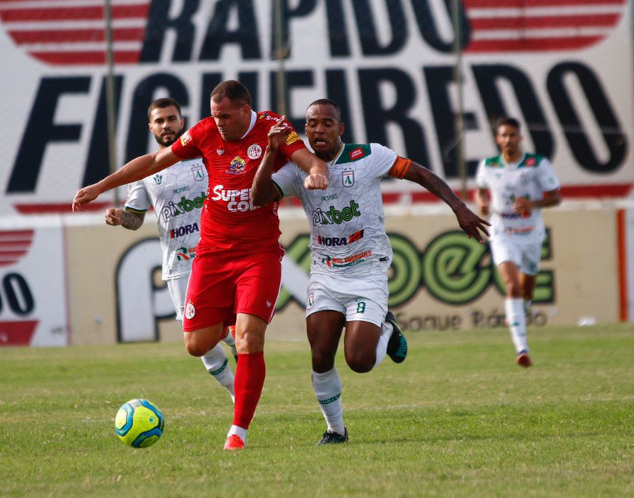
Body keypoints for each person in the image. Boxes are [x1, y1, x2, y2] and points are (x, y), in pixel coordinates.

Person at [73, 80, 329, 450]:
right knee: (196, 344)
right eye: (214, 115)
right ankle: (233, 324)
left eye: (225, 115)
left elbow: (308, 159)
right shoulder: (205, 133)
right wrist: (100, 186)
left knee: (249, 339)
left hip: (258, 253)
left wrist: (316, 171)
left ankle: (237, 432)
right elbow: (153, 162)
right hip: (211, 254)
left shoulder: (273, 128)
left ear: (246, 109)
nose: (219, 122)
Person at [251, 99, 490, 444]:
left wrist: (459, 208)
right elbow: (259, 197)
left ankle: (387, 331)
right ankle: (335, 430)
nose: (318, 130)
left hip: (367, 270)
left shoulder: (368, 157)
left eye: (327, 123)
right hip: (326, 272)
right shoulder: (296, 169)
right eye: (312, 123)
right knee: (320, 355)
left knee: (359, 360)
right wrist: (270, 154)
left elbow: (420, 173)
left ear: (340, 129)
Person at [104, 97, 237, 402]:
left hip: (217, 253)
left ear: (181, 121)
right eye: (160, 121)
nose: (167, 125)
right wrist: (120, 217)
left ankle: (238, 386)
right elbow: (136, 219)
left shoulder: (206, 155)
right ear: (151, 127)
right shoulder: (145, 170)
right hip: (179, 264)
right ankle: (234, 388)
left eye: (171, 119)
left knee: (224, 322)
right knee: (199, 342)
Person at [475, 116, 561, 368]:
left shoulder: (537, 165)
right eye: (504, 135)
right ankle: (522, 348)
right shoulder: (488, 165)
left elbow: (556, 197)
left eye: (513, 135)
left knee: (527, 291)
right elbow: (481, 188)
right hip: (502, 229)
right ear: (497, 139)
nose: (508, 140)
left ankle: (518, 312)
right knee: (512, 287)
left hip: (531, 232)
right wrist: (481, 202)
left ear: (520, 138)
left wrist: (533, 204)